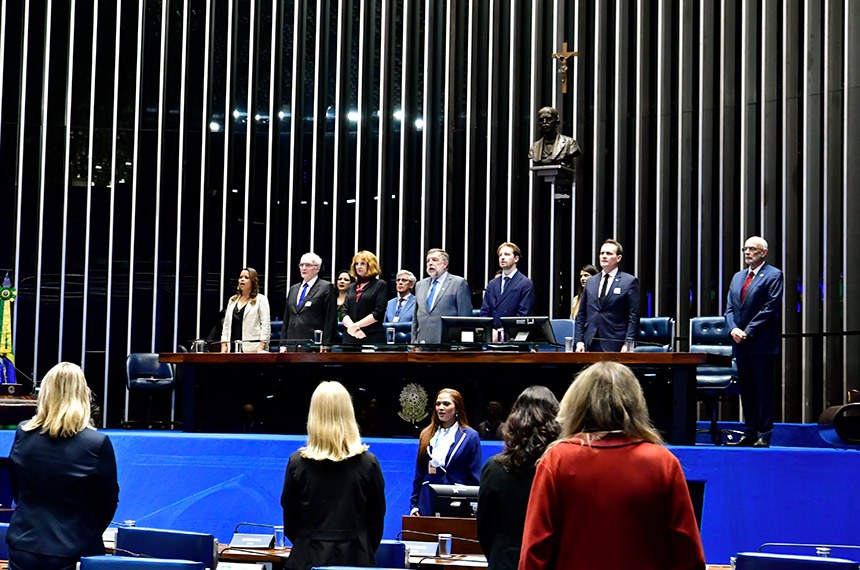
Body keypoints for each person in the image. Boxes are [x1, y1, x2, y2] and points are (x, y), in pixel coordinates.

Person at [519, 362, 706, 570]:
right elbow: (688, 555)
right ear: (635, 404)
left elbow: (534, 553)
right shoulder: (663, 463)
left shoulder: (557, 461)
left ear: (577, 404)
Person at [7, 362, 119, 570]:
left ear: (45, 394)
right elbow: (107, 503)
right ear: (83, 394)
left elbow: (16, 489)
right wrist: (83, 532)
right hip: (73, 551)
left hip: (23, 546)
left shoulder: (23, 432)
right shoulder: (96, 443)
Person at [280, 381, 386, 570]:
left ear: (313, 416)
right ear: (349, 414)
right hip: (357, 558)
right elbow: (376, 522)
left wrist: (309, 540)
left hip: (307, 557)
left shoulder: (297, 463)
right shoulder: (368, 463)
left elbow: (290, 520)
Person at [477, 387, 560, 570]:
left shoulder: (494, 468)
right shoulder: (560, 469)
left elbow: (484, 528)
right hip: (548, 561)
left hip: (504, 561)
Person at [725, 236, 784, 448]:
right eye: (745, 249)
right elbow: (730, 308)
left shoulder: (774, 275)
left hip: (761, 343)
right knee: (747, 390)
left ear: (764, 252)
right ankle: (749, 432)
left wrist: (748, 331)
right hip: (739, 343)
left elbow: (770, 307)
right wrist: (733, 329)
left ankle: (764, 433)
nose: (747, 252)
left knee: (763, 390)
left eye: (753, 249)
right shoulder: (738, 277)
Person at [410, 388, 482, 516]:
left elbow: (474, 476)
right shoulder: (426, 434)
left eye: (446, 404)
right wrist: (414, 505)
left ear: (457, 408)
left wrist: (474, 507)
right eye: (438, 404)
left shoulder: (470, 436)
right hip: (427, 501)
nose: (441, 408)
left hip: (456, 501)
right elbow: (419, 473)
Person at [574, 239, 640, 352]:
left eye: (608, 253)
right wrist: (579, 340)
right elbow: (581, 315)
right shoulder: (591, 282)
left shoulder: (629, 281)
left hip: (616, 342)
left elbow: (633, 316)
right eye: (602, 253)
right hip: (590, 341)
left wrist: (628, 342)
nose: (604, 256)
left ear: (618, 258)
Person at [411, 249, 473, 344]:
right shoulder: (420, 285)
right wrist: (413, 341)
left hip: (448, 343)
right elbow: (416, 318)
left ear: (445, 264)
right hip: (422, 343)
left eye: (434, 260)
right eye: (428, 261)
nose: (430, 263)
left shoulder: (458, 283)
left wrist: (464, 345)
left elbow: (465, 317)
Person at [280, 253, 337, 347]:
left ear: (317, 268)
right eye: (301, 265)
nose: (304, 268)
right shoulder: (293, 289)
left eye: (308, 265)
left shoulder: (326, 287)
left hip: (313, 344)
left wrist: (326, 344)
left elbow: (330, 319)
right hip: (292, 344)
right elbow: (287, 318)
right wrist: (283, 344)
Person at [480, 242, 534, 335]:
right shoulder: (492, 283)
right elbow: (485, 311)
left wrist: (502, 333)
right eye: (500, 255)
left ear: (516, 258)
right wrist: (489, 331)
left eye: (507, 254)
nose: (502, 257)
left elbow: (523, 315)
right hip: (491, 336)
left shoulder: (525, 283)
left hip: (513, 336)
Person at [221, 267, 271, 352]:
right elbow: (226, 325)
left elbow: (265, 325)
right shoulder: (232, 300)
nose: (242, 280)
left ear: (253, 281)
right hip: (232, 348)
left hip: (252, 349)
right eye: (241, 277)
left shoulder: (261, 299)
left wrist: (261, 346)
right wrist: (223, 345)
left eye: (246, 278)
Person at [342, 251, 388, 344]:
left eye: (362, 263)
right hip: (350, 336)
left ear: (371, 265)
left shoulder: (380, 285)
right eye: (356, 264)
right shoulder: (351, 287)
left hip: (372, 335)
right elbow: (344, 311)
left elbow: (378, 312)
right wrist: (353, 328)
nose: (358, 266)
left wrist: (357, 325)